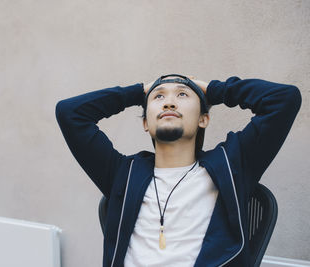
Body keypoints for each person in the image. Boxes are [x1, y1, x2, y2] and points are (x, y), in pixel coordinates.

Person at [55, 74, 301, 267]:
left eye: (183, 95)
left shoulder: (232, 164)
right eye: (158, 97)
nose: (170, 101)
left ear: (203, 119)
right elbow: (69, 113)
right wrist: (138, 92)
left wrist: (214, 90)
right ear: (145, 122)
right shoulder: (123, 174)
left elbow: (284, 99)